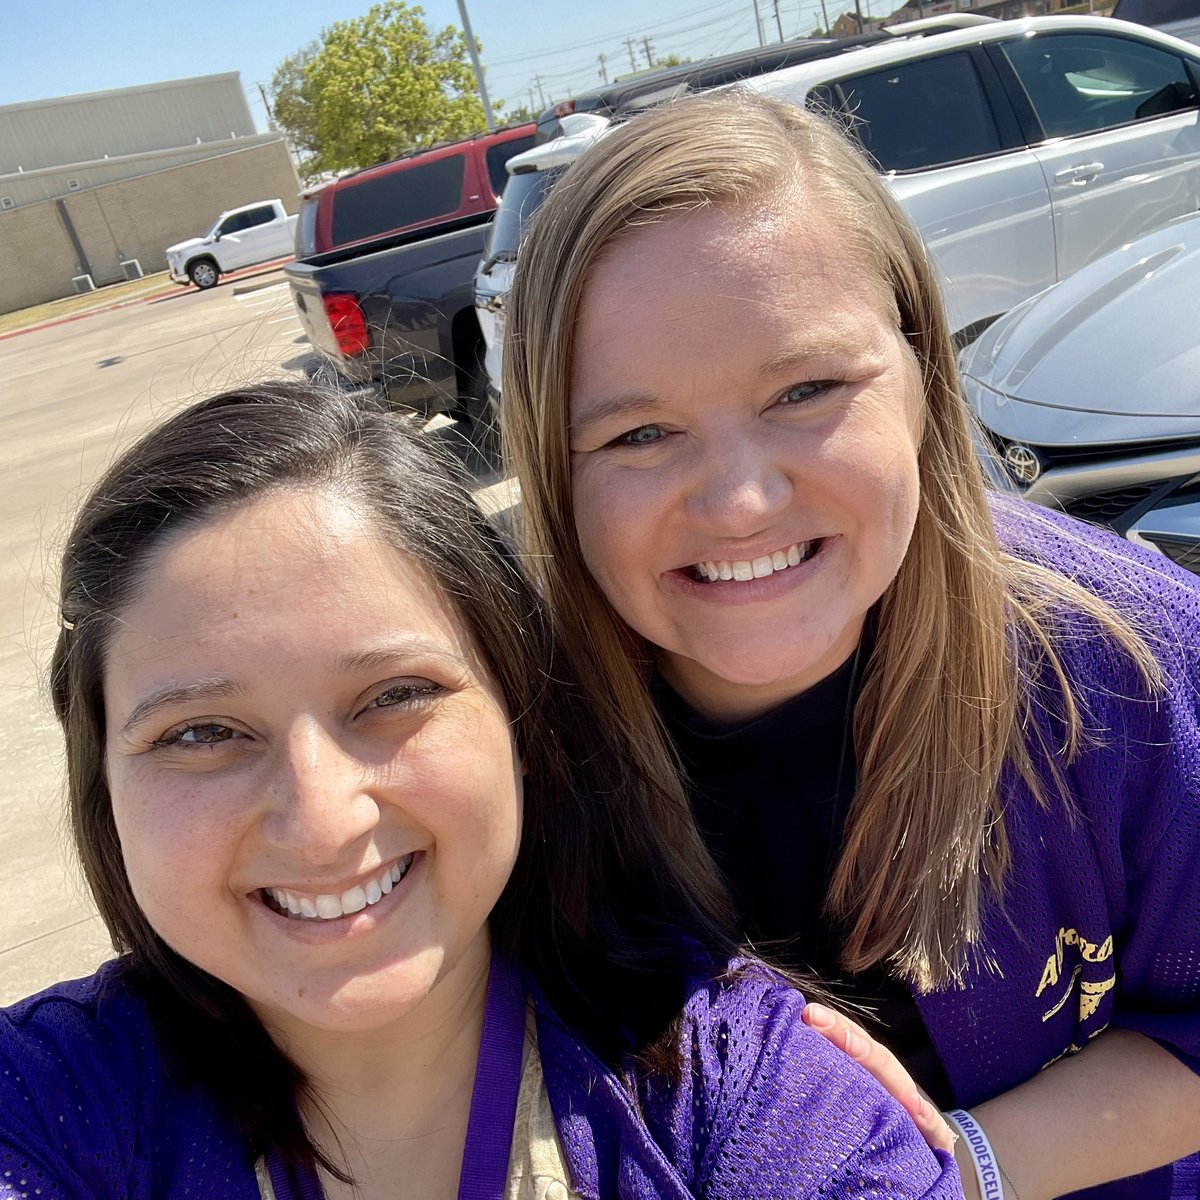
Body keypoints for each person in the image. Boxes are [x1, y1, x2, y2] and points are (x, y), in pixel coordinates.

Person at [0, 382, 958, 1200]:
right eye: (201, 733)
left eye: (394, 696)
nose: (322, 821)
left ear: (520, 721)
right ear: (103, 782)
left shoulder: (746, 1094)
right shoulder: (40, 1106)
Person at [501, 89, 1200, 1200]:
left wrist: (941, 1176)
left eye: (806, 389)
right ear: (553, 466)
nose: (739, 502)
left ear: (923, 376)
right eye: (640, 433)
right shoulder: (498, 746)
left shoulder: (1130, 661)